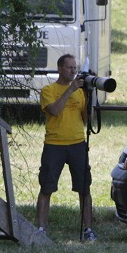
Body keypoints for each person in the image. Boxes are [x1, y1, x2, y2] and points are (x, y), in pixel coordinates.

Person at [36, 53, 96, 242]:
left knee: (84, 188)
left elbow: (88, 120)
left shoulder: (80, 92)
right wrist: (70, 90)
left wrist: (91, 99)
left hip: (78, 144)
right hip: (54, 145)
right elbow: (54, 110)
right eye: (69, 67)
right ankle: (41, 229)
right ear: (60, 68)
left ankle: (88, 229)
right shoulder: (48, 90)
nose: (73, 71)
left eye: (74, 68)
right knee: (47, 187)